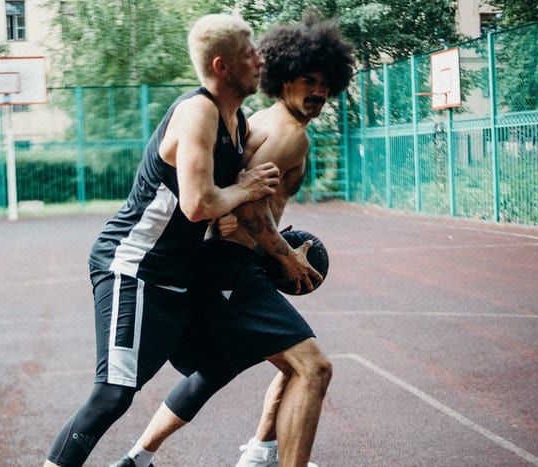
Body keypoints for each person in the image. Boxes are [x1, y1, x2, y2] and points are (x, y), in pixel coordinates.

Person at [42, 13, 304, 467]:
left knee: (223, 358)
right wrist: (247, 187)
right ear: (222, 66)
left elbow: (233, 205)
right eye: (250, 52)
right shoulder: (196, 112)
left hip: (178, 277)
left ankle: (137, 460)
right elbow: (198, 204)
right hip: (134, 266)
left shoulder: (236, 121)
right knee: (112, 394)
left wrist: (274, 247)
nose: (261, 59)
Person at [111, 9, 355, 467]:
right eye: (309, 80)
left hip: (225, 260)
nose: (319, 91)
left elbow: (238, 184)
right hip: (231, 266)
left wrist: (253, 237)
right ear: (284, 78)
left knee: (232, 367)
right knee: (313, 367)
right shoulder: (292, 137)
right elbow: (247, 201)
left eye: (326, 83)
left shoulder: (256, 118)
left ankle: (144, 457)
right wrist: (284, 256)